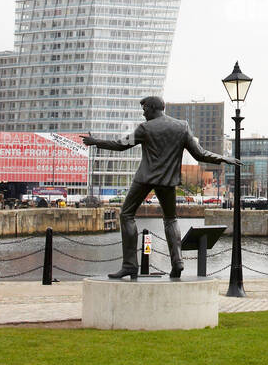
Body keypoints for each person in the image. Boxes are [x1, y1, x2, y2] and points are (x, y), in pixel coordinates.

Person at [83, 95, 239, 280]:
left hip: (145, 178)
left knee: (126, 214)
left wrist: (96, 142)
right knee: (171, 219)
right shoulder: (182, 127)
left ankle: (130, 265)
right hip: (168, 180)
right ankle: (178, 261)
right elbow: (200, 154)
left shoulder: (146, 128)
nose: (143, 113)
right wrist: (222, 158)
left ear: (152, 108)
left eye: (144, 109)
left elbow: (120, 145)